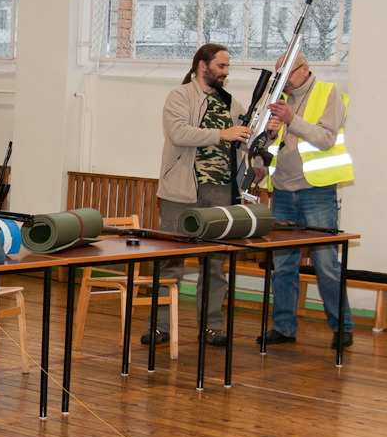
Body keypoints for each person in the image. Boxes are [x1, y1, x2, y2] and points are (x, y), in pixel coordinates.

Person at [147, 43, 253, 347]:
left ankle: (211, 327)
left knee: (215, 264)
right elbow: (178, 132)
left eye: (227, 66)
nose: (226, 72)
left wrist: (264, 134)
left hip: (220, 193)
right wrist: (223, 134)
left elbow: (246, 134)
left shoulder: (230, 102)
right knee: (170, 262)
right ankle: (159, 326)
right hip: (181, 192)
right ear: (202, 66)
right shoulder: (180, 96)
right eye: (221, 66)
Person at [259, 52, 356, 349]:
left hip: (316, 191)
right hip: (283, 190)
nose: (283, 80)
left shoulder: (329, 93)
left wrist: (291, 119)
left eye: (287, 73)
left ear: (304, 69)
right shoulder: (275, 100)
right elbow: (270, 143)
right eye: (279, 74)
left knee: (326, 263)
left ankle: (342, 327)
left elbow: (326, 138)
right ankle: (284, 326)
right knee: (284, 263)